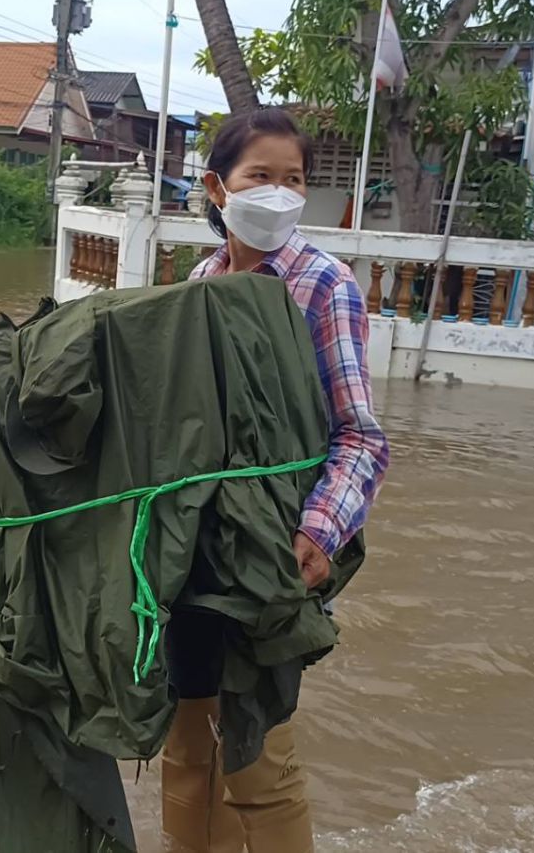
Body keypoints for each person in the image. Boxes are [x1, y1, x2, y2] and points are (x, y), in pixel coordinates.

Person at [162, 107, 390, 852]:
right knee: (186, 744)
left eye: (293, 180)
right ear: (217, 187)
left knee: (258, 755)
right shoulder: (199, 283)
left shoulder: (324, 285)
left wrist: (317, 533)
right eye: (260, 175)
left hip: (274, 553)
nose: (279, 193)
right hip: (194, 551)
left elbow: (359, 437)